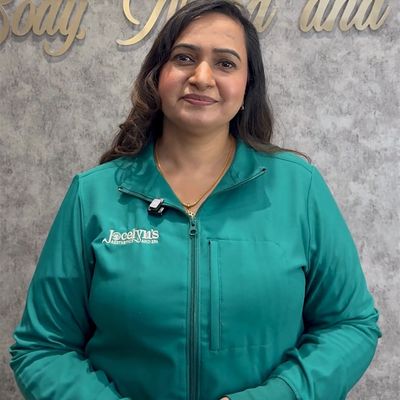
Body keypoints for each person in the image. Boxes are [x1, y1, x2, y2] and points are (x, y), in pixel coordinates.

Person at [10, 1, 381, 399]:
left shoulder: (299, 187)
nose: (202, 77)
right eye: (184, 58)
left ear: (248, 85)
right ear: (158, 75)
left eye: (225, 63)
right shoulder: (94, 194)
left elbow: (351, 324)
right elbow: (42, 348)